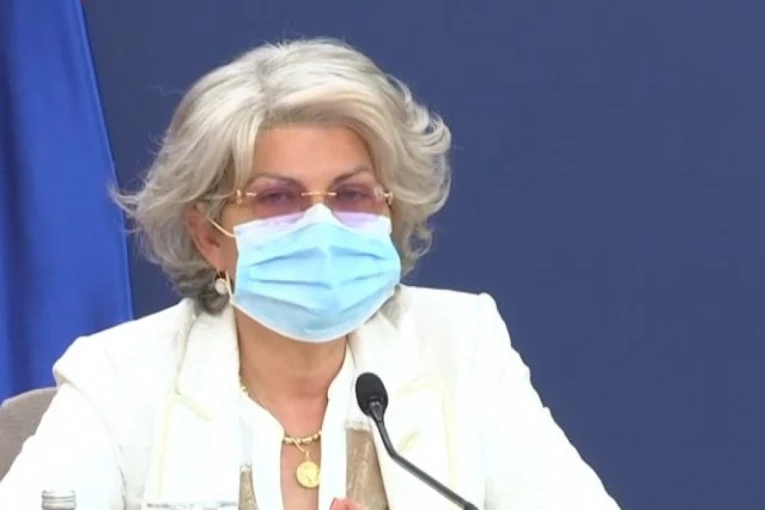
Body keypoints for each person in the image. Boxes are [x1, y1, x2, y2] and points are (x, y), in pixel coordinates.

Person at [0, 38, 620, 510]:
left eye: (351, 194)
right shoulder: (119, 380)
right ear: (208, 235)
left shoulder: (461, 346)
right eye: (278, 198)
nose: (321, 226)